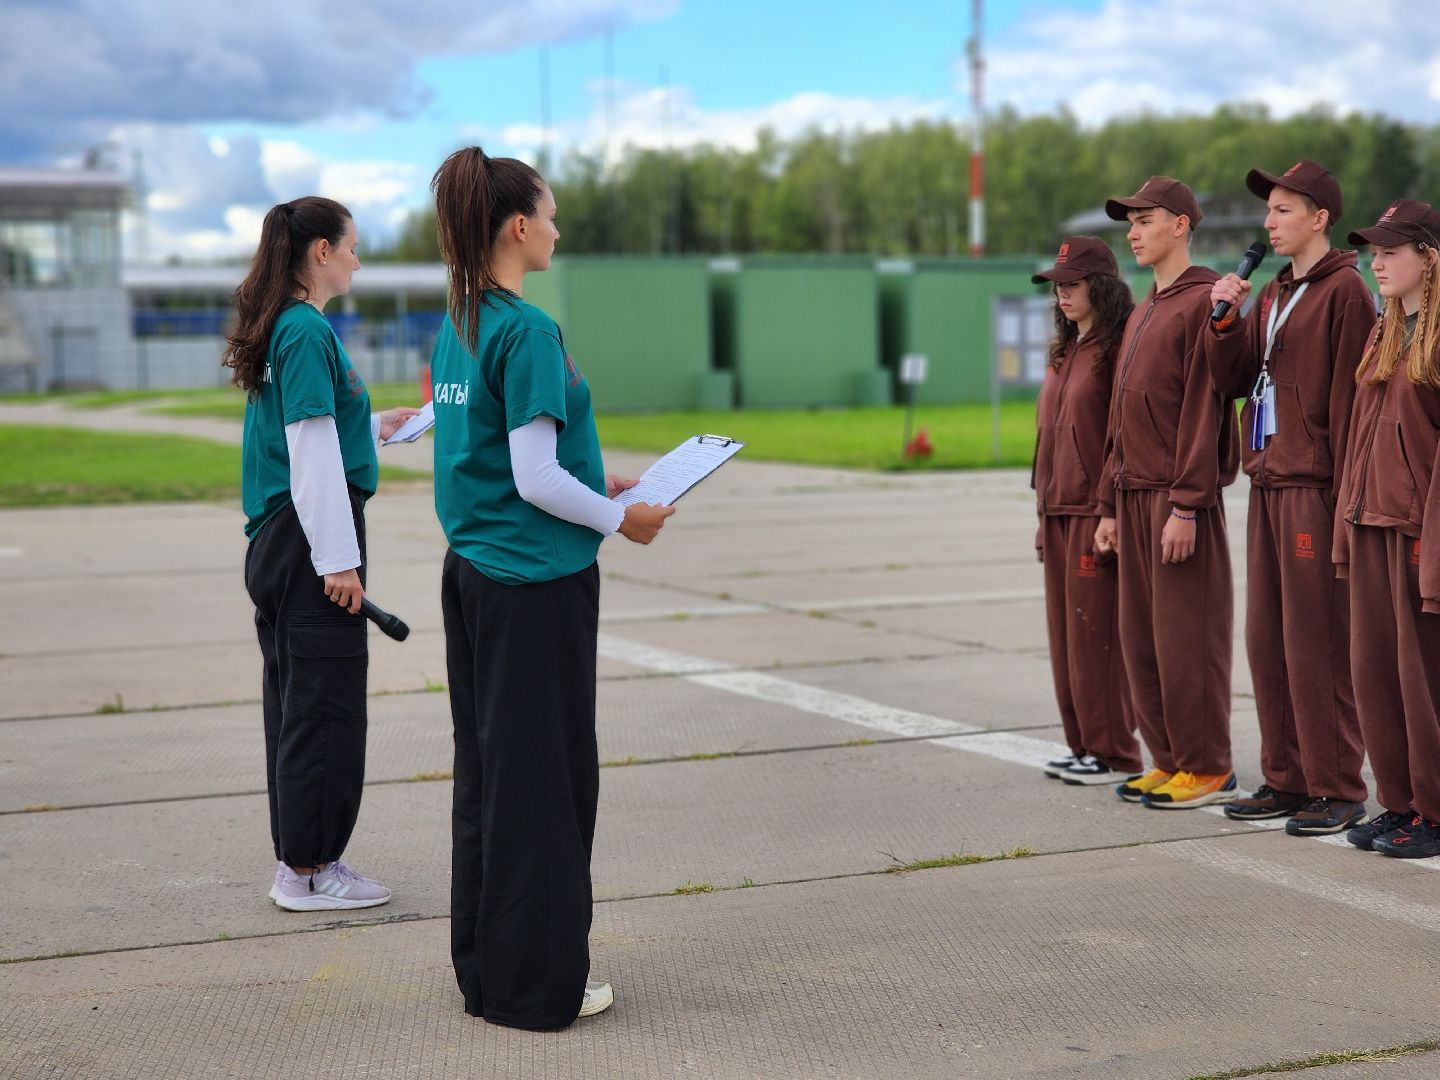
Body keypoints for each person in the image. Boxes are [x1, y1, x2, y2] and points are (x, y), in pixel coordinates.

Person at [427, 147, 675, 1028]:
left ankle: (490, 973)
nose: (560, 228)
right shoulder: (527, 328)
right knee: (546, 789)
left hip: (478, 577)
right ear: (520, 226)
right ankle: (538, 988)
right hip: (533, 584)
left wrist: (596, 482)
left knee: (492, 780)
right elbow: (533, 477)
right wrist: (624, 520)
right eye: (554, 212)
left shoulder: (460, 318)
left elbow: (501, 458)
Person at [225, 196, 420, 910]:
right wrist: (338, 561)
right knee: (324, 708)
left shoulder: (283, 325)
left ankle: (302, 862)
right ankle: (308, 870)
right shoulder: (305, 329)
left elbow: (310, 437)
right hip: (309, 541)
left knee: (296, 703)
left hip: (278, 539)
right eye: (351, 246)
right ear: (320, 253)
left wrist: (372, 426)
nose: (357, 259)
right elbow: (309, 451)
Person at [1202, 161, 1375, 836]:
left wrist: (1342, 503)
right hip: (1269, 481)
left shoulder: (1345, 294)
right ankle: (1286, 776)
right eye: (1268, 211)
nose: (1268, 222)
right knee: (1269, 638)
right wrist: (1224, 322)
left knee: (1318, 640)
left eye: (1281, 210)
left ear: (1319, 218)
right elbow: (1238, 379)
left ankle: (1336, 786)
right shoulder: (1273, 292)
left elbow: (1353, 406)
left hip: (1314, 488)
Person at [1093, 176, 1241, 809]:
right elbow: (1118, 420)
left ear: (1181, 225)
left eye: (1145, 220)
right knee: (1143, 641)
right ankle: (1169, 759)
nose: (1133, 232)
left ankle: (1207, 765)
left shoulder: (1202, 302)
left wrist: (1187, 503)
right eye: (1129, 223)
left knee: (1187, 640)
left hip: (1178, 501)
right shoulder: (1145, 308)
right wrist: (1105, 505)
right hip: (1130, 497)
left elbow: (1205, 412)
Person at [1334, 200, 1440, 859]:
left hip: (1416, 533)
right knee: (1375, 674)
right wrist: (1347, 521)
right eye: (1372, 251)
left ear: (1428, 257)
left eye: (1390, 251)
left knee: (1424, 681)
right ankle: (1398, 802)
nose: (1377, 262)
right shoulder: (1386, 331)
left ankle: (1433, 811)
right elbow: (1358, 437)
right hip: (1370, 524)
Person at [1031, 236, 1143, 786]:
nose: (1062, 296)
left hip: (1091, 511)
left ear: (1099, 287)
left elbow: (1116, 438)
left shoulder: (1113, 351)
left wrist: (1108, 510)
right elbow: (1047, 438)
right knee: (1066, 638)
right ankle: (1082, 745)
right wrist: (1041, 513)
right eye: (1057, 287)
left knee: (1097, 637)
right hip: (1055, 510)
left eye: (1072, 285)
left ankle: (1114, 751)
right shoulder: (1063, 352)